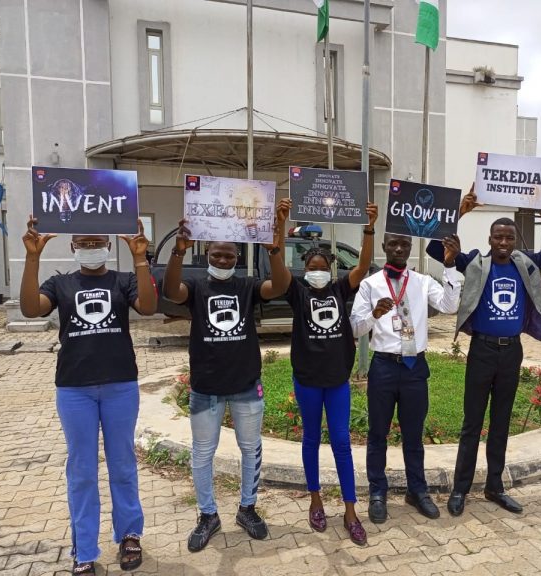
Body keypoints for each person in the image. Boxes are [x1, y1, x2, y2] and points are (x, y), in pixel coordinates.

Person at [20, 216, 157, 576]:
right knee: (81, 470)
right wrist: (32, 257)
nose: (91, 247)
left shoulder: (123, 280)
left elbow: (148, 306)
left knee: (123, 465)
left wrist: (141, 258)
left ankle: (129, 534)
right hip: (74, 388)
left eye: (98, 242)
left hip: (120, 385)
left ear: (109, 247)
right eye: (84, 242)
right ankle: (84, 550)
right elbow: (31, 309)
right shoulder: (60, 283)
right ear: (73, 246)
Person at [426, 187, 541, 517]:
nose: (504, 243)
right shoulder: (475, 263)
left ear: (514, 241)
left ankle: (495, 487)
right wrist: (459, 212)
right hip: (482, 351)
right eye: (498, 238)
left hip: (511, 353)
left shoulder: (526, 263)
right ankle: (460, 489)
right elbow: (435, 248)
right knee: (472, 423)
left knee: (501, 422)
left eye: (508, 238)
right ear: (490, 240)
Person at [163, 199, 292, 552]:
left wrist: (276, 250)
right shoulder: (197, 286)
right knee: (203, 454)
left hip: (246, 387)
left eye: (230, 256)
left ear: (237, 259)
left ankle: (247, 509)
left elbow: (279, 286)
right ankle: (208, 515)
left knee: (251, 449)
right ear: (207, 256)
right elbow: (171, 292)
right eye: (217, 255)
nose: (223, 261)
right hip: (206, 388)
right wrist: (177, 252)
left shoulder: (248, 287)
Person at [279, 201, 378, 546]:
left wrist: (369, 227)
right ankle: (316, 499)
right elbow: (277, 266)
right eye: (312, 266)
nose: (317, 271)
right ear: (305, 269)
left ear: (330, 269)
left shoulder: (339, 289)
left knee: (341, 443)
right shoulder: (298, 292)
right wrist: (279, 227)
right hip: (307, 380)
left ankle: (351, 510)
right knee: (311, 439)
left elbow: (363, 266)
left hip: (337, 382)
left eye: (322, 266)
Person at [350, 232, 462, 524]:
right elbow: (355, 329)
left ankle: (417, 490)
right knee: (377, 434)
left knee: (414, 435)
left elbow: (450, 306)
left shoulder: (423, 281)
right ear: (384, 247)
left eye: (404, 245)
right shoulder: (370, 284)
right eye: (393, 244)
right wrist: (374, 315)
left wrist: (450, 265)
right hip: (384, 367)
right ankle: (377, 493)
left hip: (414, 367)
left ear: (411, 249)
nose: (399, 248)